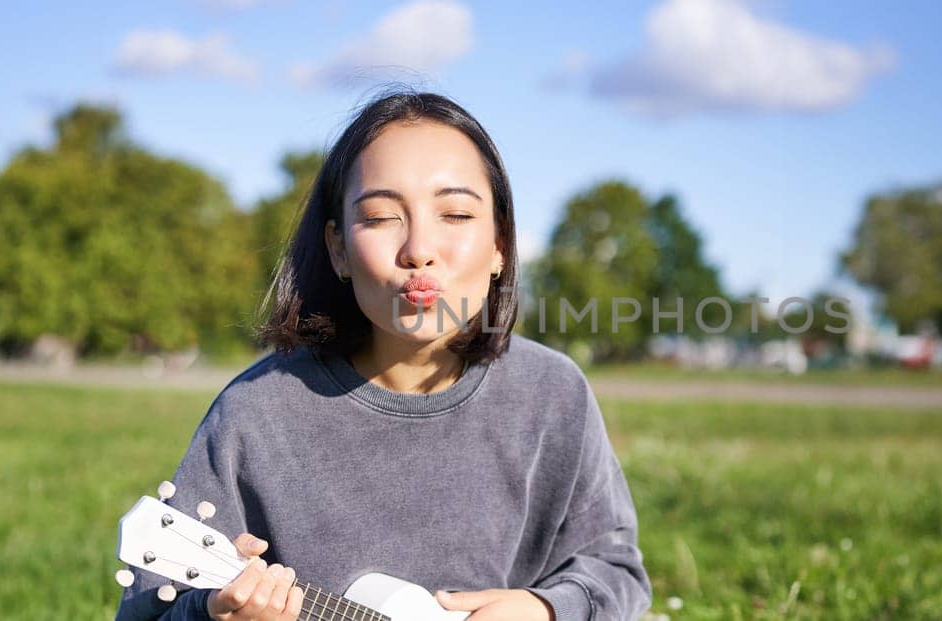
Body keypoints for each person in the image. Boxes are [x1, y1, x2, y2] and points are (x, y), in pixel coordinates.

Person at [114, 88, 651, 621]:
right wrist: (211, 615)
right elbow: (147, 610)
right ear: (338, 249)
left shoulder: (552, 394)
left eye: (457, 215)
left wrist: (546, 609)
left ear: (500, 246)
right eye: (379, 216)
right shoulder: (255, 415)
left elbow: (617, 570)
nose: (419, 249)